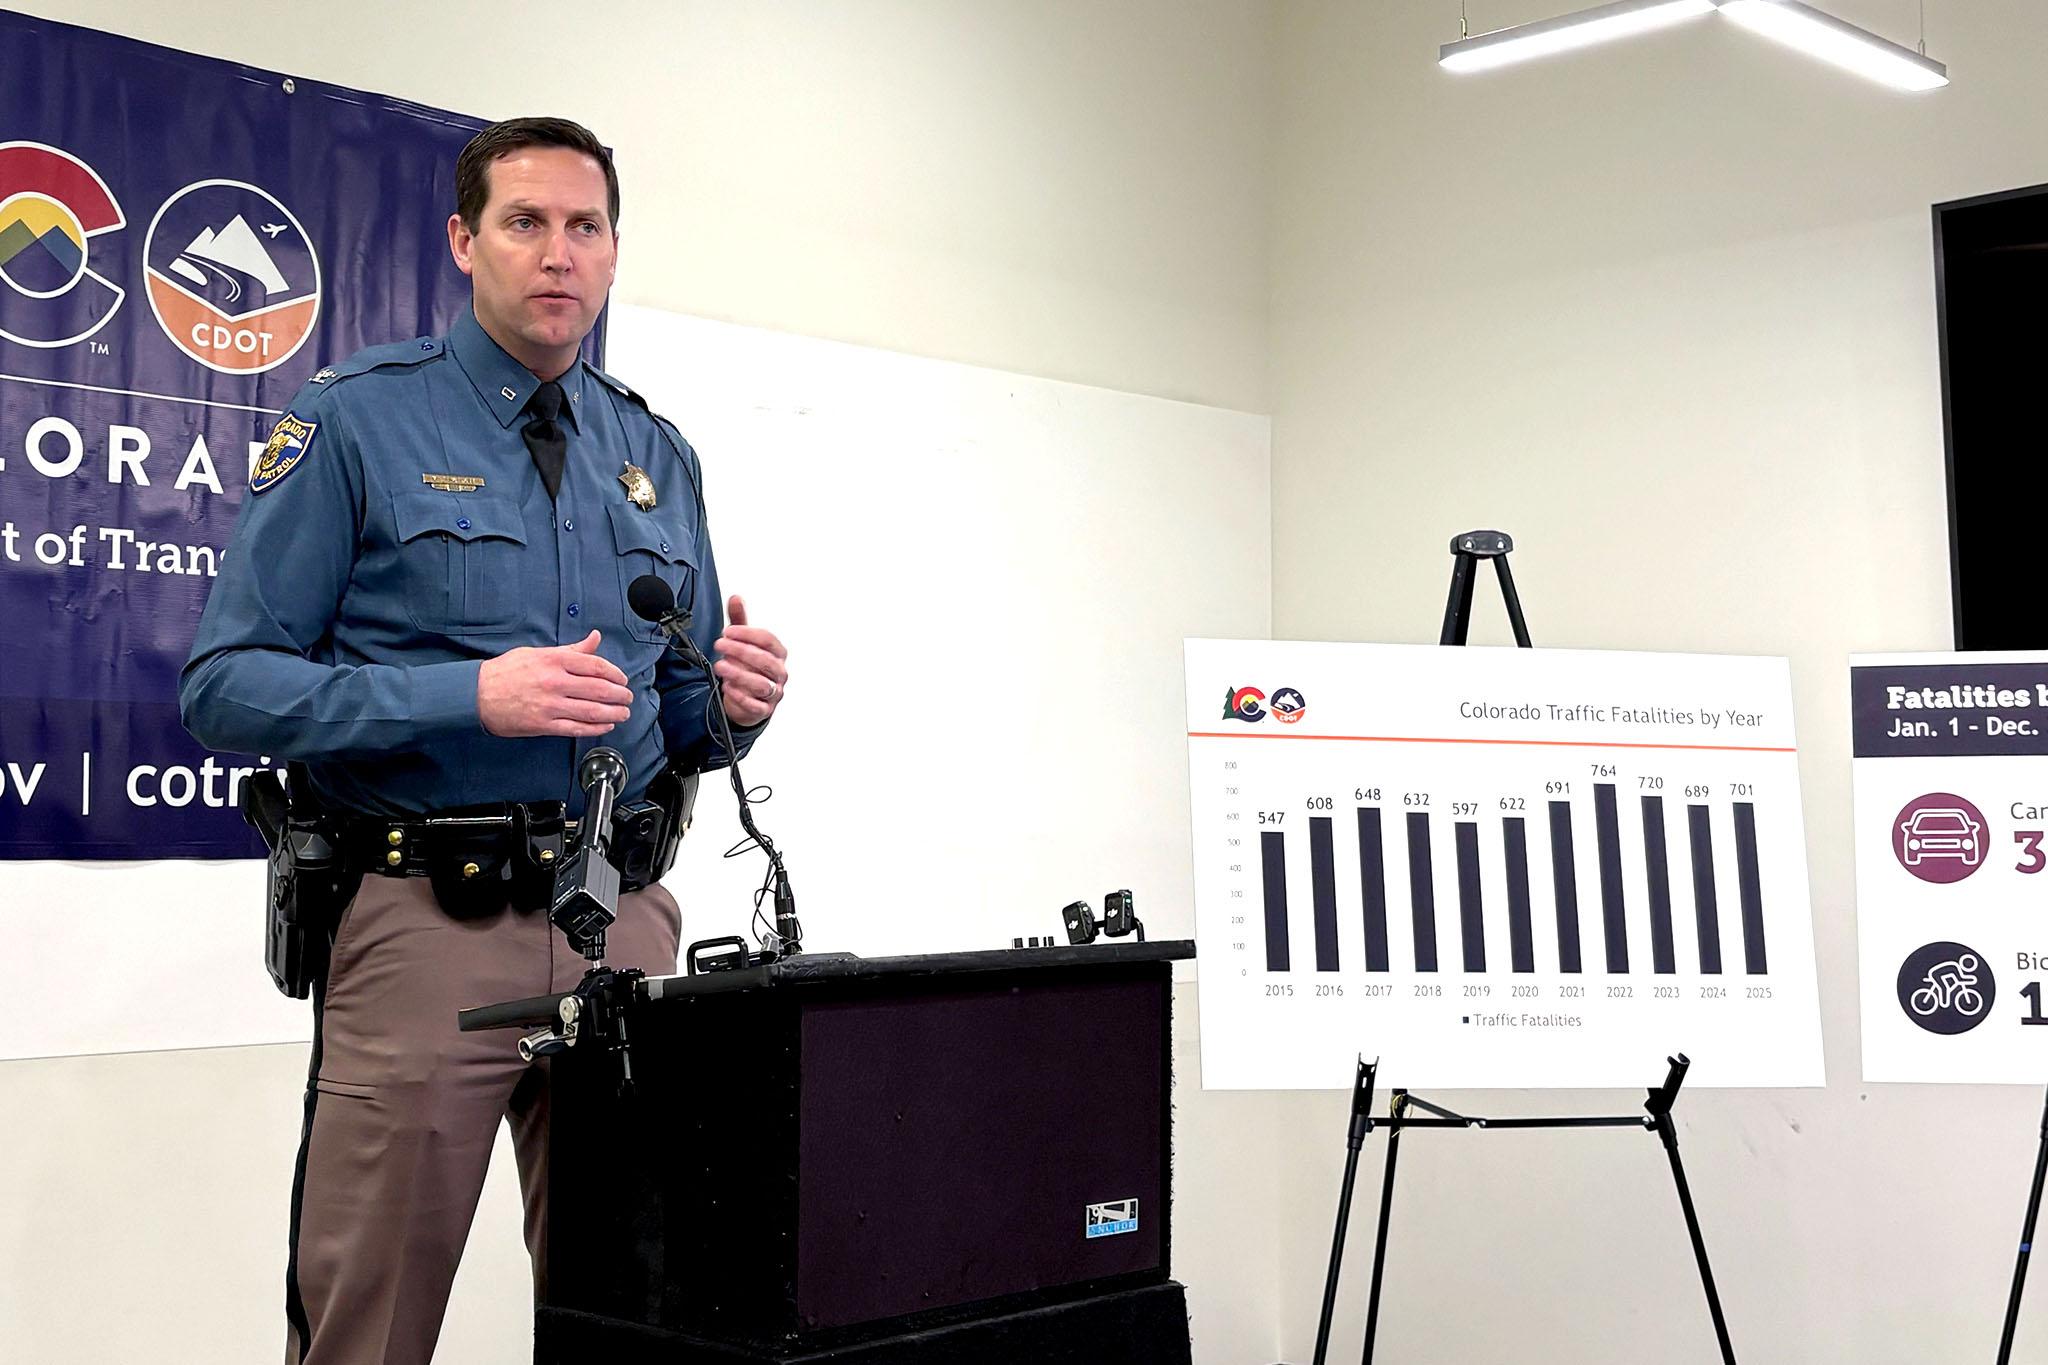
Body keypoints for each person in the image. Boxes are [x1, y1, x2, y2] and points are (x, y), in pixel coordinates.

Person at [179, 116, 789, 1365]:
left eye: (584, 227)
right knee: (372, 1320)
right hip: (423, 925)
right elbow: (224, 688)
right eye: (524, 223)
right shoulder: (358, 420)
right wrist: (469, 697)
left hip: (622, 914)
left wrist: (730, 710)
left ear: (614, 252)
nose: (556, 254)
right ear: (465, 242)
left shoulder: (654, 454)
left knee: (651, 1308)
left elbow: (677, 718)